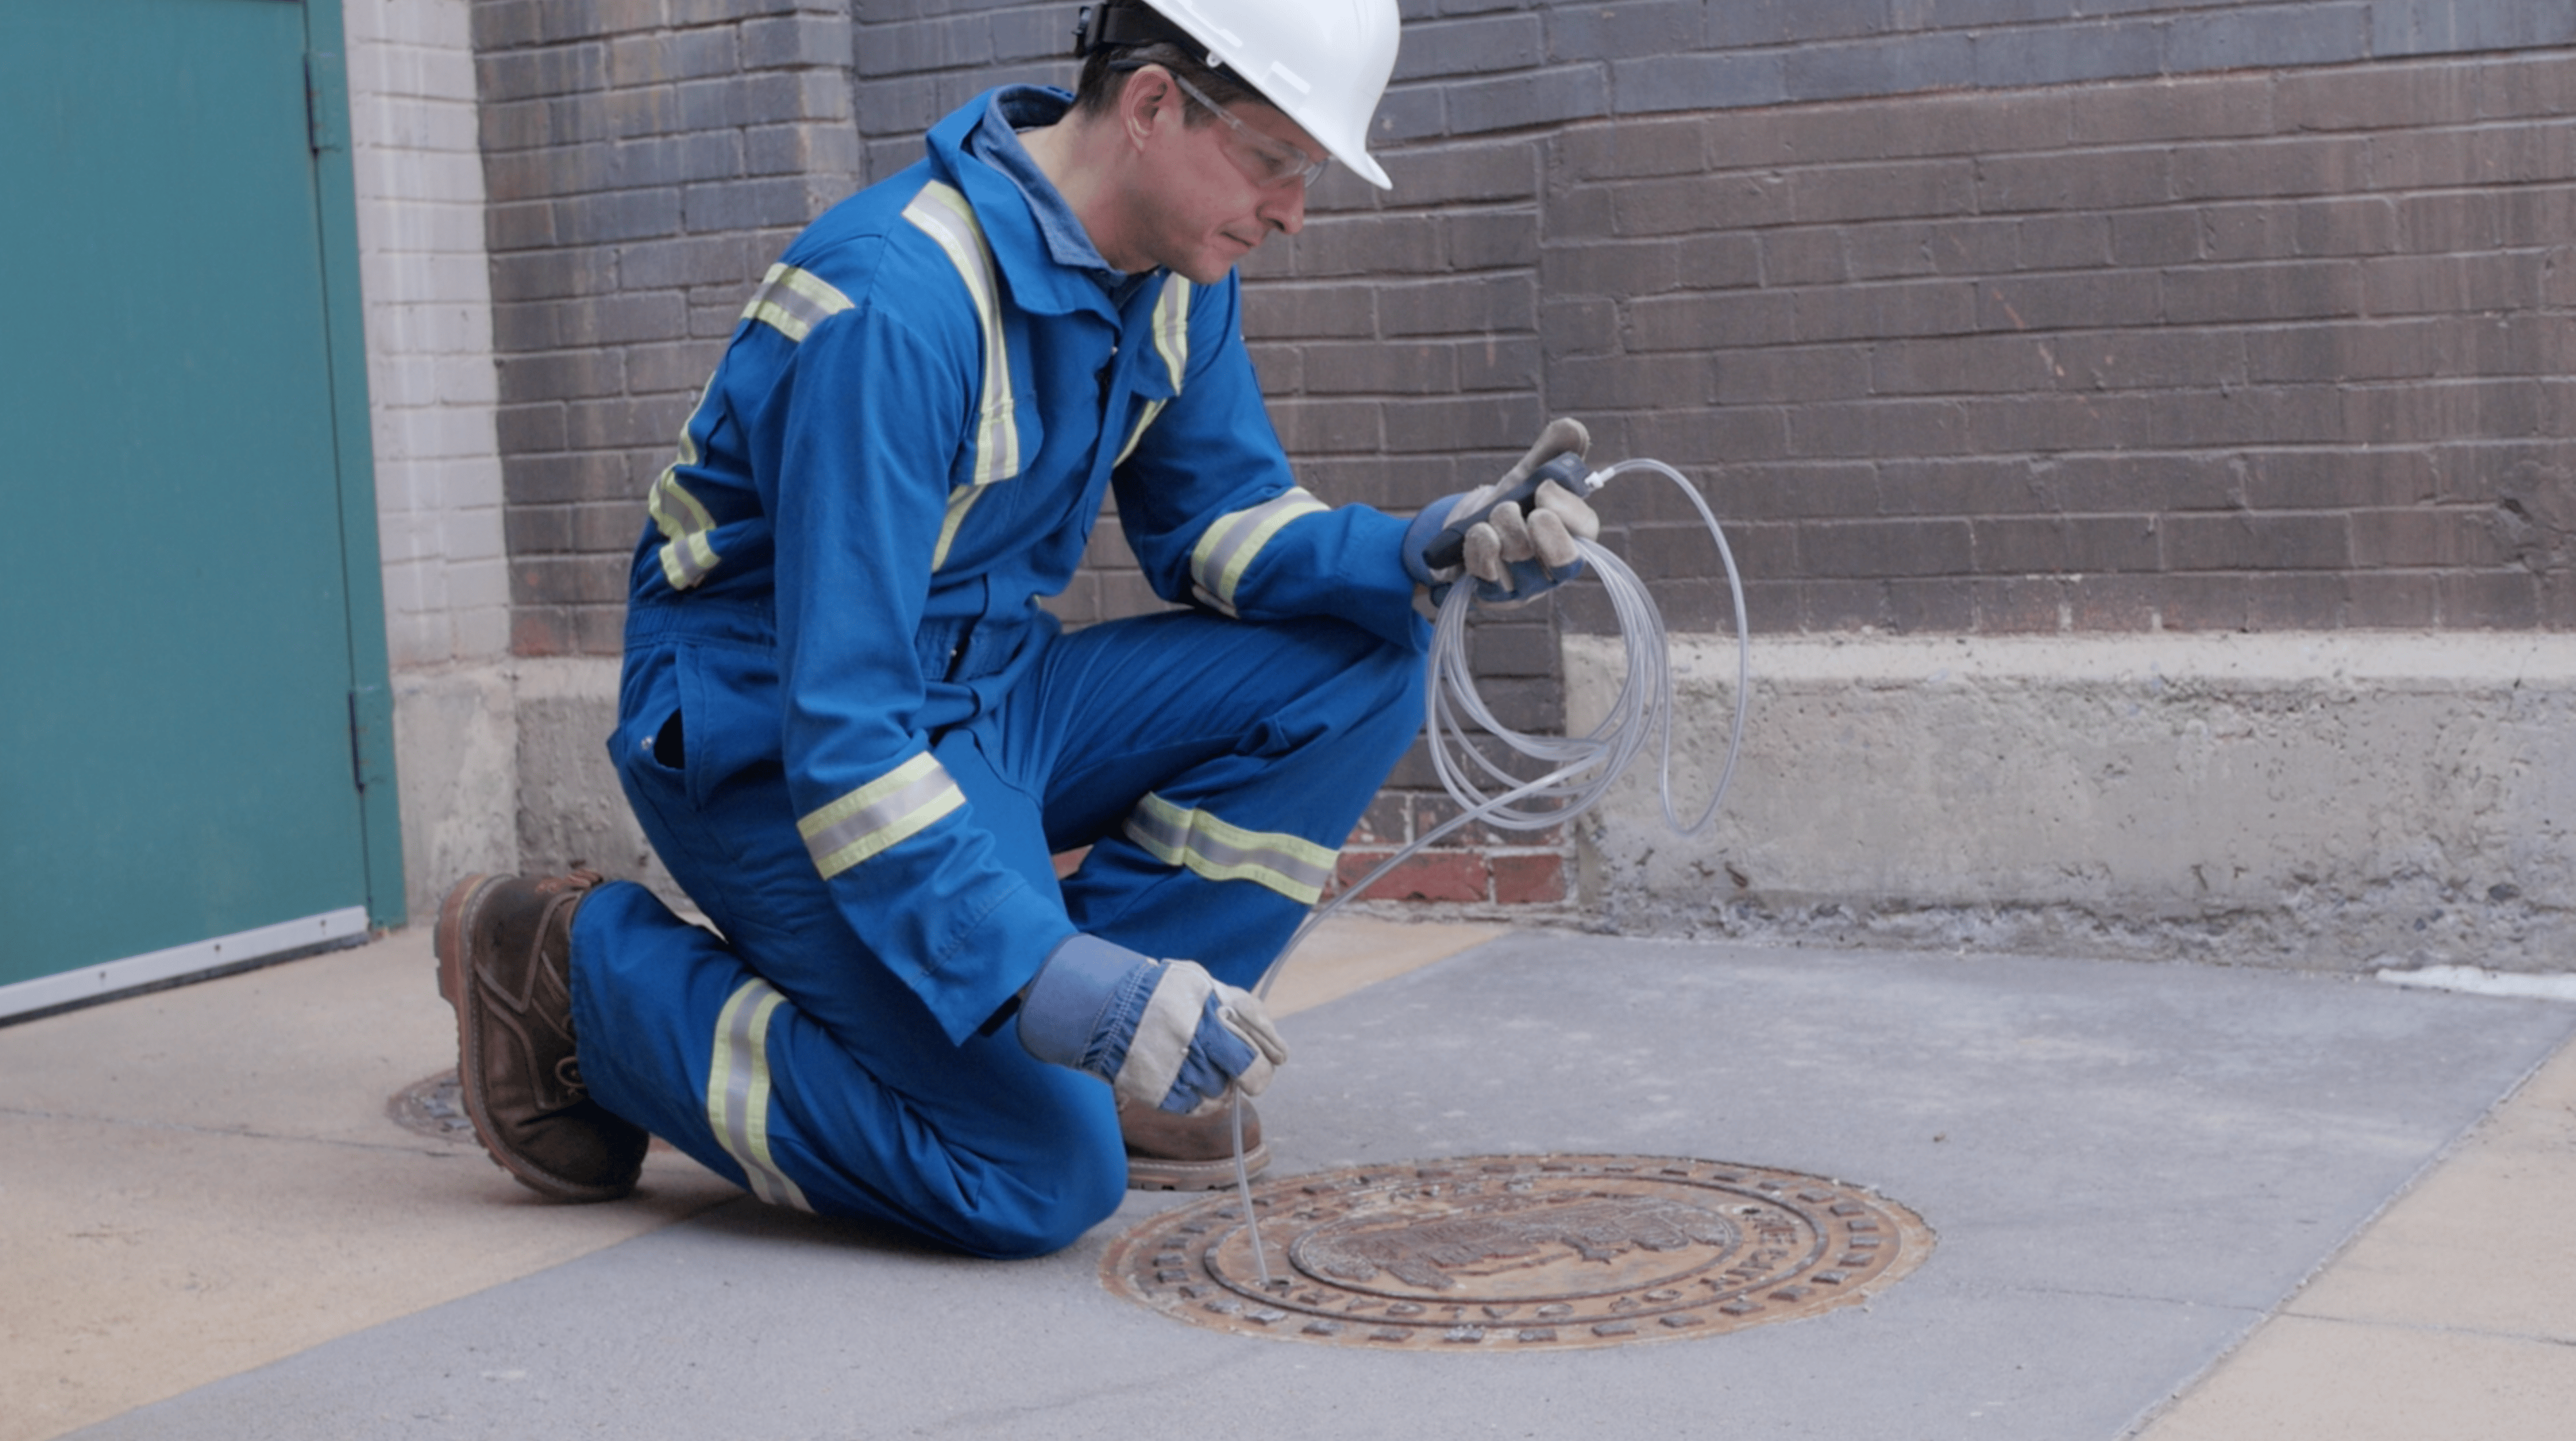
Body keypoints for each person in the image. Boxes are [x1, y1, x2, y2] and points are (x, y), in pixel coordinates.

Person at [433, 0, 1600, 1259]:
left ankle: (1112, 1050)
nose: (1293, 213)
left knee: (1365, 653)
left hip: (985, 696)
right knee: (1033, 1172)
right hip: (769, 737)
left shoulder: (1171, 267)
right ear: (1154, 105)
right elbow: (846, 733)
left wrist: (1417, 550)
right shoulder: (895, 303)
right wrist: (1040, 971)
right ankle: (579, 975)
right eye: (1279, 161)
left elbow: (1219, 521)